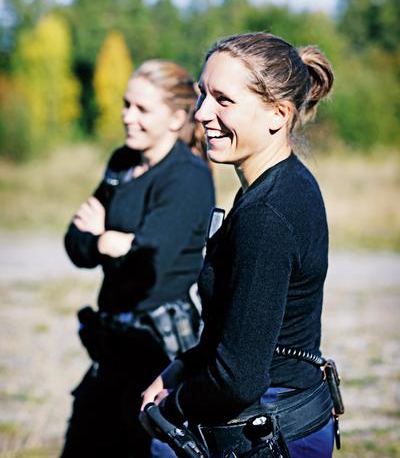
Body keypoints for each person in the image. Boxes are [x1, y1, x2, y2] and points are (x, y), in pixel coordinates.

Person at [141, 33, 339, 458]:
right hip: (282, 422)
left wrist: (171, 408)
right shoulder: (281, 186)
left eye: (223, 100)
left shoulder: (267, 212)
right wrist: (180, 368)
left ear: (278, 114)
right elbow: (239, 329)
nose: (201, 113)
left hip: (270, 435)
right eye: (203, 94)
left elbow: (239, 379)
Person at [60, 60, 215, 458]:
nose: (128, 116)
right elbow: (75, 243)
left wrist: (112, 241)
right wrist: (106, 243)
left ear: (176, 118)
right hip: (110, 349)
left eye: (142, 109)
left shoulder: (188, 177)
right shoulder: (122, 162)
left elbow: (147, 270)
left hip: (157, 352)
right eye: (126, 104)